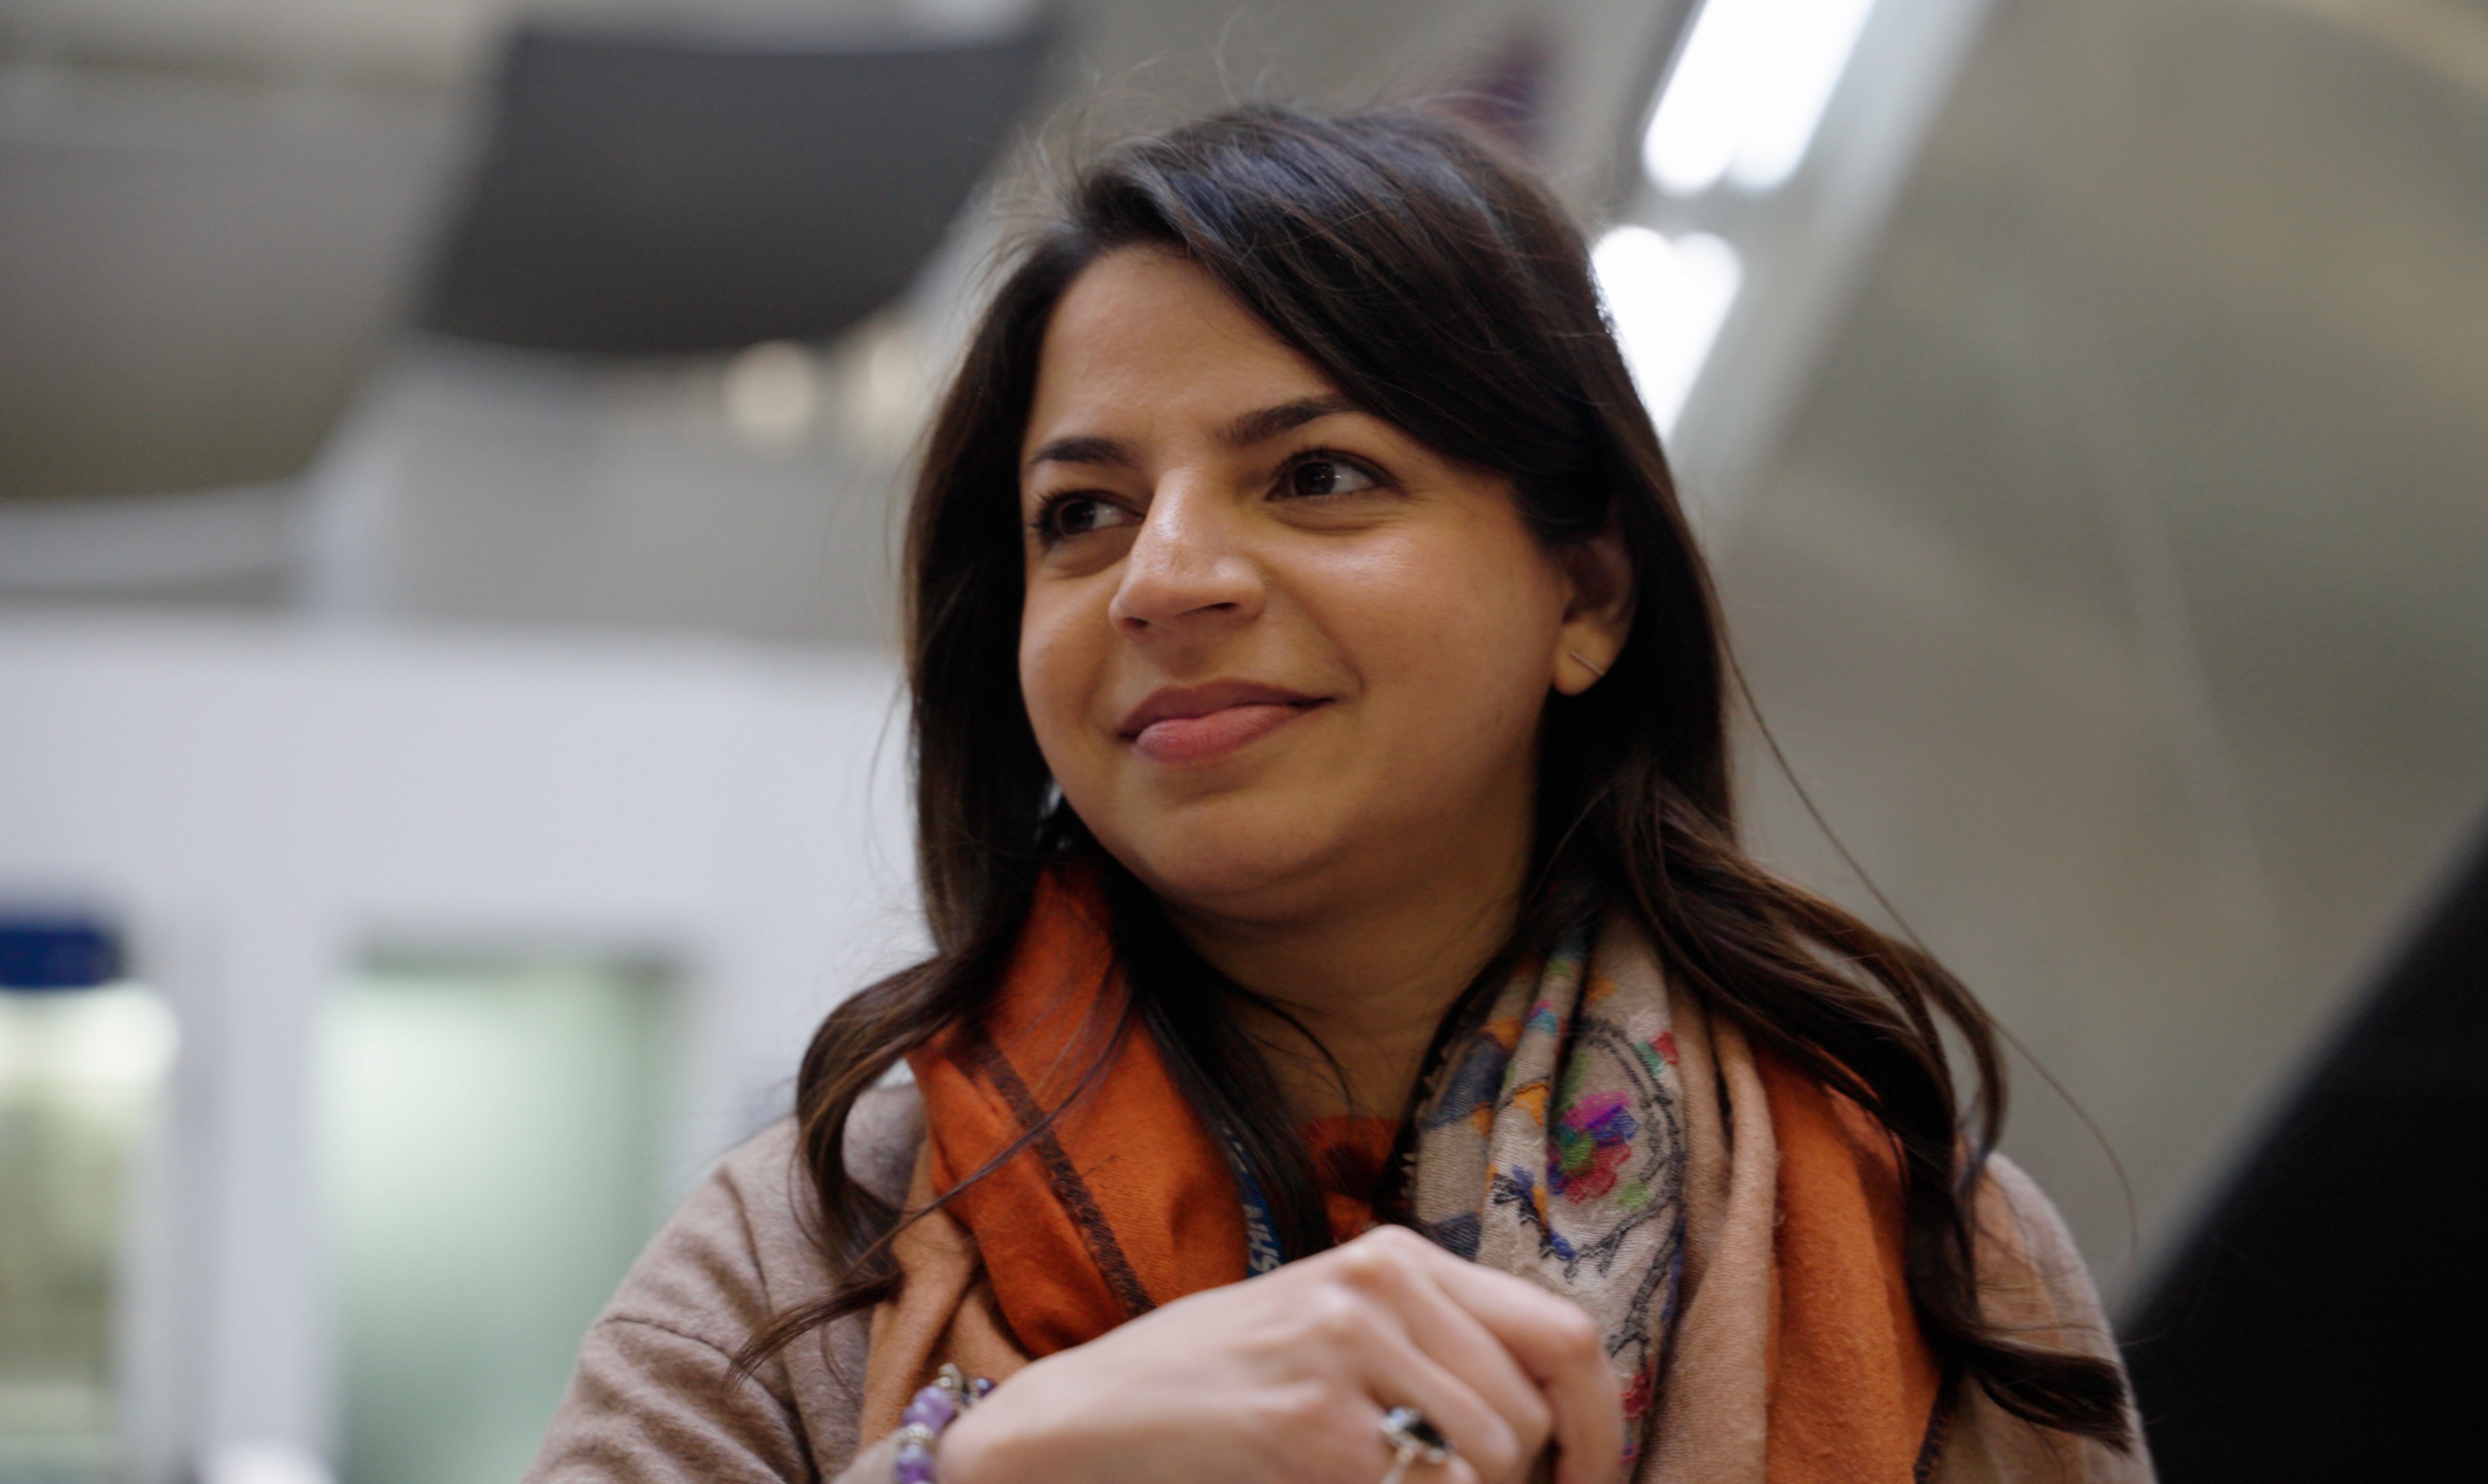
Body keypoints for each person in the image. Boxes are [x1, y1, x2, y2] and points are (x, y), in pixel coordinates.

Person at [526, 104, 2151, 1484]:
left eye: (1318, 476)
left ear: (1587, 594)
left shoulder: (1914, 1244)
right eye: (1083, 513)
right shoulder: (799, 1260)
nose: (1162, 579)